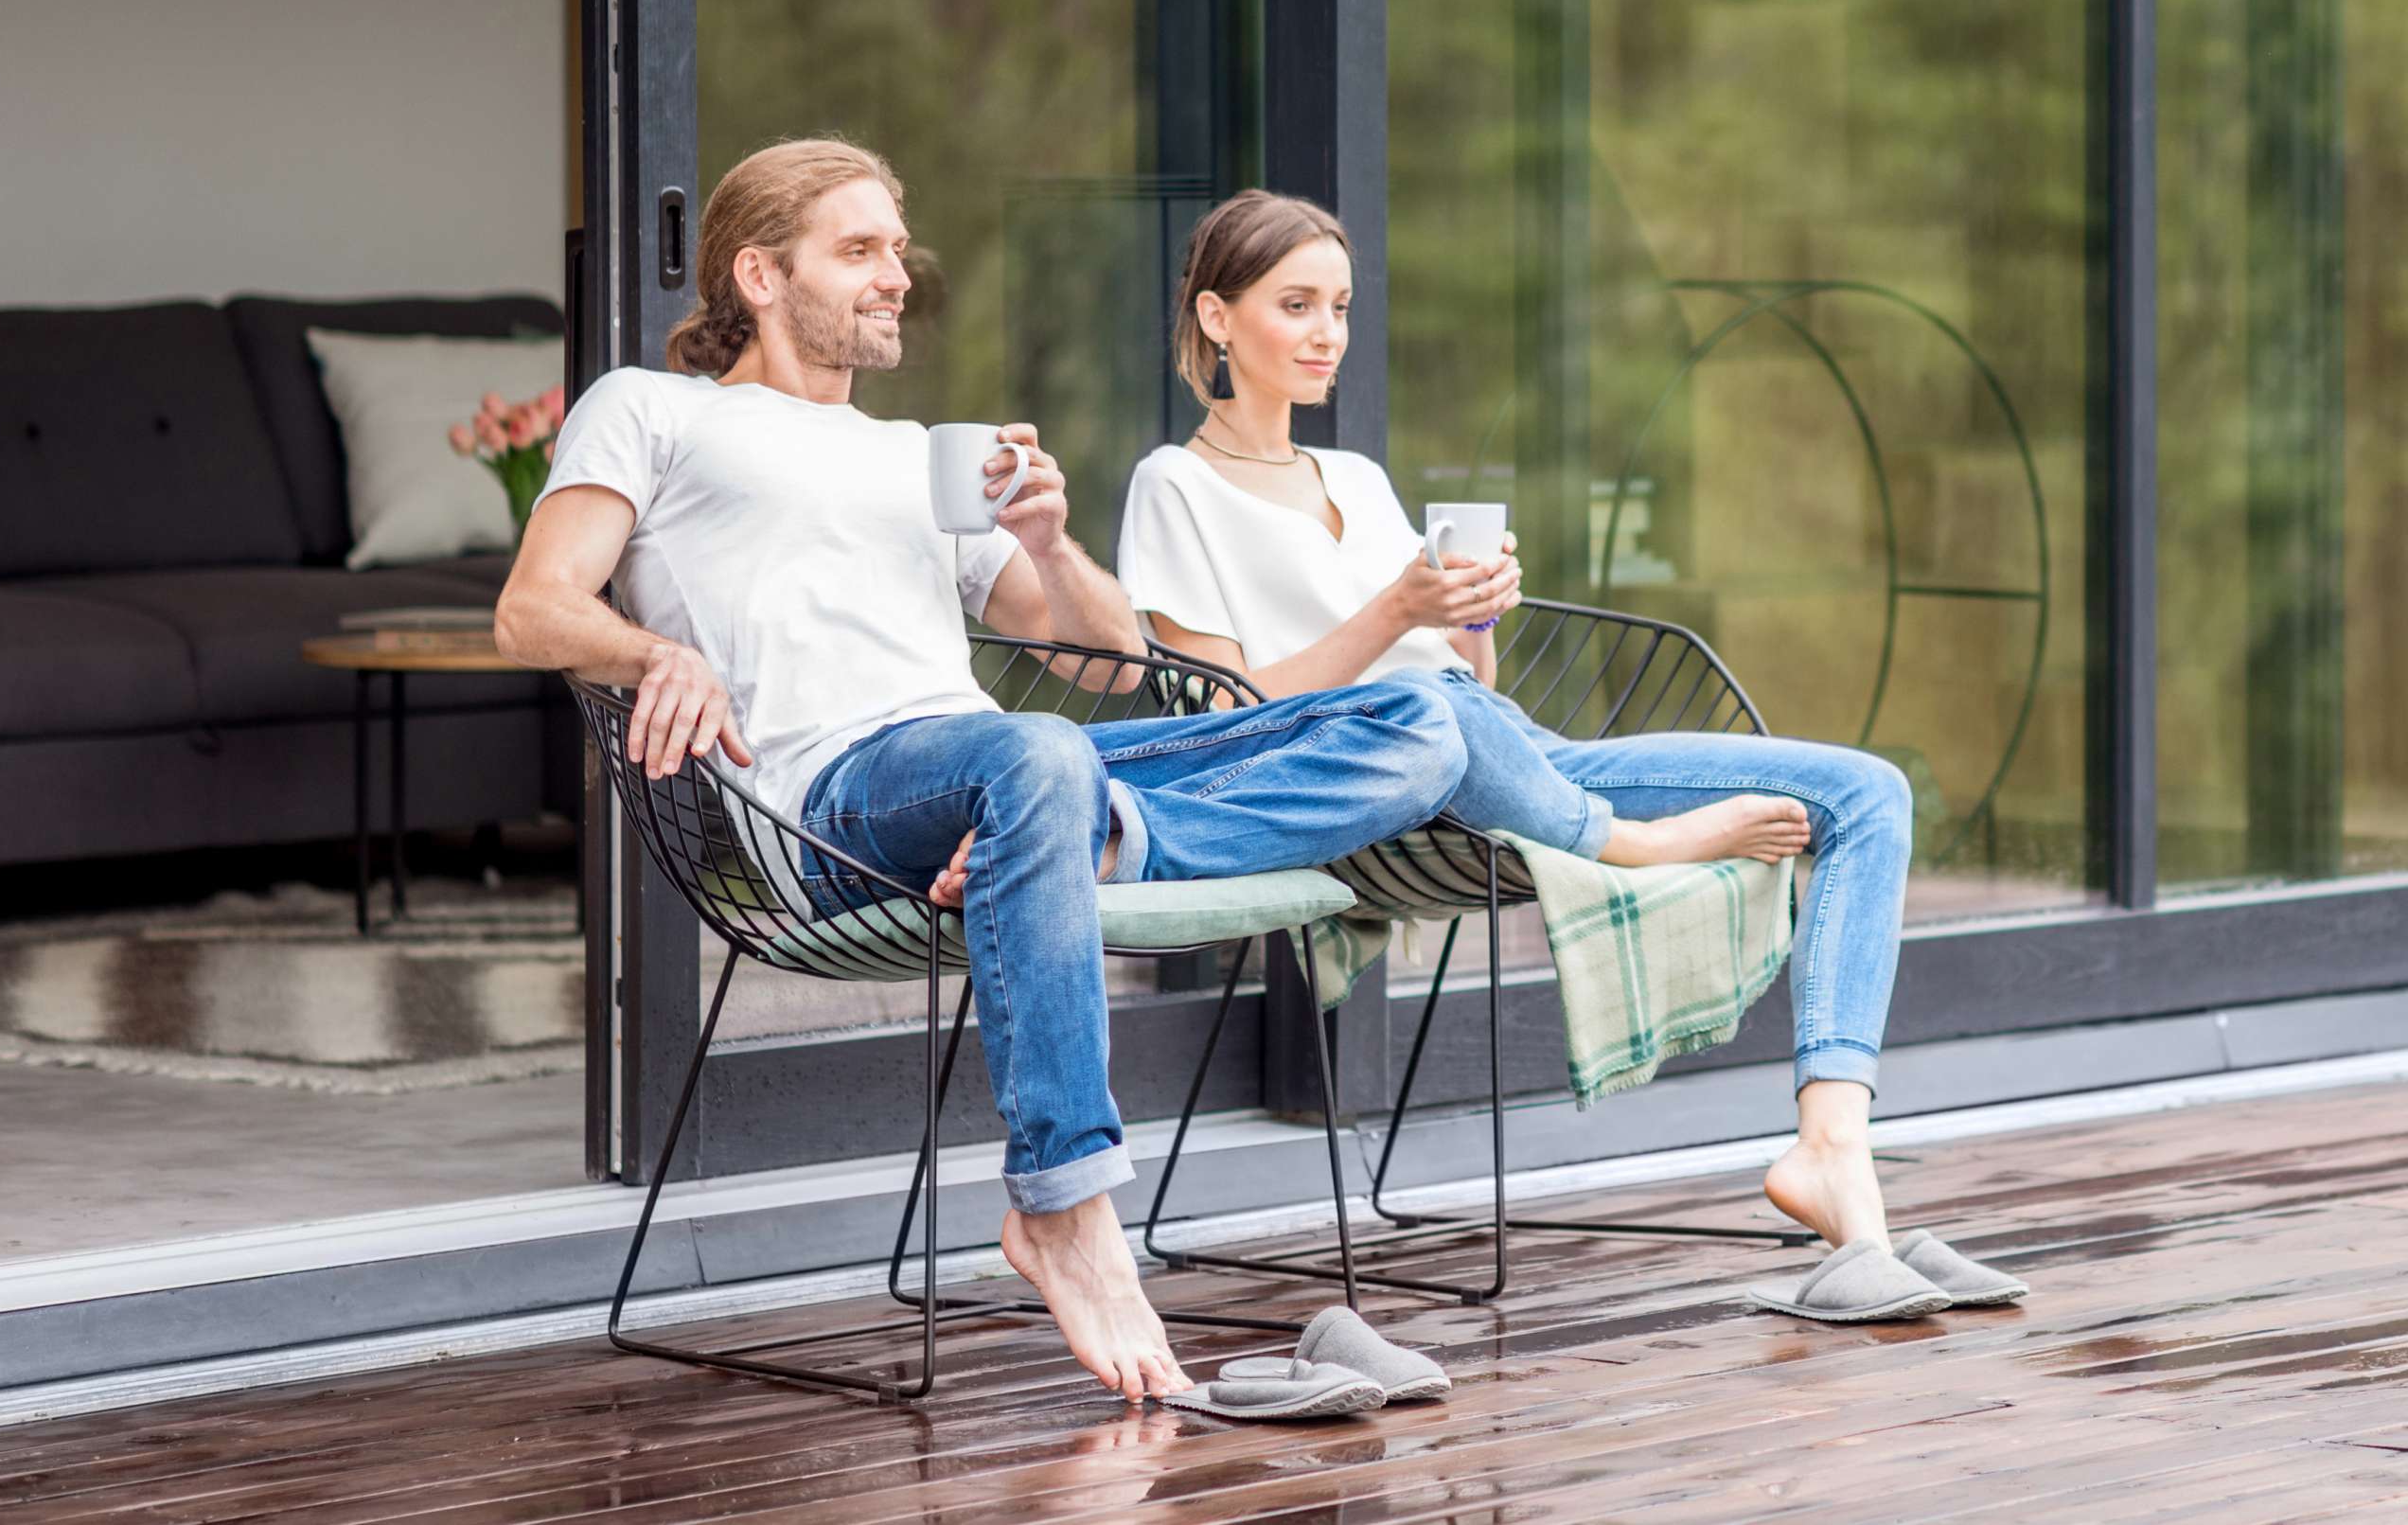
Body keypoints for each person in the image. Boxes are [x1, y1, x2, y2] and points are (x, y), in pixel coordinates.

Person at [497, 139, 1476, 1402]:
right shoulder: (655, 409)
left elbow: (1117, 668)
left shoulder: (920, 455)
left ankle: (1069, 828)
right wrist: (650, 652)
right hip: (827, 803)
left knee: (1412, 724)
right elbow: (531, 610)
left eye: (898, 250)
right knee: (1035, 757)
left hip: (990, 769)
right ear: (758, 272)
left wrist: (1051, 544)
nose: (896, 275)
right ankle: (1064, 1204)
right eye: (859, 250)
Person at [1113, 189, 2026, 1320]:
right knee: (1439, 724)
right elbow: (1227, 716)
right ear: (1216, 316)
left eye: (1340, 307)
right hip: (1383, 786)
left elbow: (1467, 682)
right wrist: (1399, 613)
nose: (1326, 333)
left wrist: (1474, 617)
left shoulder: (1352, 479)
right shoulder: (1175, 484)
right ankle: (1640, 846)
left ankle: (1836, 1153)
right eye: (1295, 304)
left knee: (1867, 792)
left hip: (1508, 756)